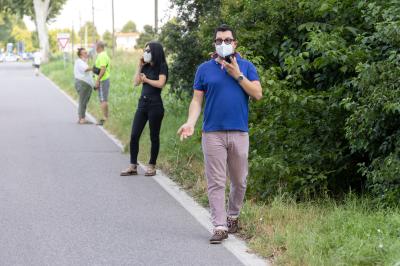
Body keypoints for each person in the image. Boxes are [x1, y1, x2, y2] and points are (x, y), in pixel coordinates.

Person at [177, 24, 263, 244]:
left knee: (240, 180)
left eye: (227, 40)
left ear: (235, 43)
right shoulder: (204, 69)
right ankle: (220, 225)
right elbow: (197, 100)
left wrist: (238, 75)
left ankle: (232, 216)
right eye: (219, 40)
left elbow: (258, 94)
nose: (223, 43)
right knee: (216, 181)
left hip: (239, 132)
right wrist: (190, 122)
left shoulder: (246, 66)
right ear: (214, 44)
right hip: (212, 133)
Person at [120, 41, 168, 177]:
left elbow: (160, 84)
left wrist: (147, 80)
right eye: (144, 51)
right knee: (134, 135)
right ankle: (132, 165)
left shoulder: (162, 66)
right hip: (143, 104)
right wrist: (139, 67)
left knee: (154, 136)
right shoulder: (145, 67)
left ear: (155, 52)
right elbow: (136, 82)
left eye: (148, 51)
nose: (145, 53)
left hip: (155, 105)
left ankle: (152, 165)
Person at [74, 48, 94, 124]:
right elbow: (86, 69)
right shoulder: (80, 61)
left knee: (83, 101)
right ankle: (82, 118)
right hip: (83, 83)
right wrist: (95, 68)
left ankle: (81, 118)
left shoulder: (82, 62)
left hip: (84, 84)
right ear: (81, 55)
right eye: (85, 53)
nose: (86, 54)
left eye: (86, 52)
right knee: (83, 101)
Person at [94, 41, 111, 126]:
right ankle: (105, 117)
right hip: (102, 80)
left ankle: (105, 118)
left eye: (95, 47)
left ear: (99, 47)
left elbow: (103, 69)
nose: (95, 48)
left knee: (103, 100)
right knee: (102, 99)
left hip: (103, 80)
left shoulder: (102, 56)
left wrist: (97, 80)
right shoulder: (102, 55)